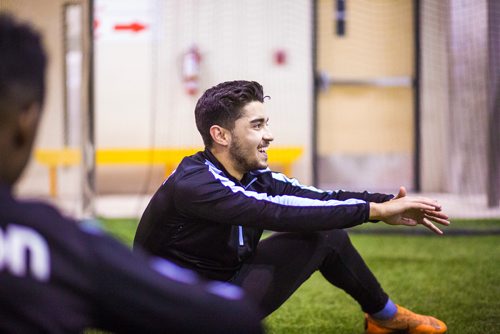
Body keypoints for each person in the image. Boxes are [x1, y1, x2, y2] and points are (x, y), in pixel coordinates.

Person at [0, 13, 263, 334]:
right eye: (257, 124)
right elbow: (232, 318)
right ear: (26, 120)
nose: (267, 135)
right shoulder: (55, 245)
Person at [134, 80, 451, 333]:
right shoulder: (195, 184)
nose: (269, 136)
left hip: (222, 290)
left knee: (328, 235)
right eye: (257, 125)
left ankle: (385, 317)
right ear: (221, 135)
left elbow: (317, 198)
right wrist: (374, 213)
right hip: (175, 313)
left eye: (266, 124)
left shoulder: (252, 174)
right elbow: (273, 211)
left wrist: (389, 204)